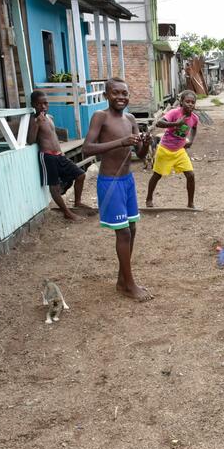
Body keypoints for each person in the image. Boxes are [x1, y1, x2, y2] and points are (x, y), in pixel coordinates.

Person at [82, 78, 152, 301]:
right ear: (106, 95)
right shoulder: (100, 117)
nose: (121, 97)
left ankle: (123, 280)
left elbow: (139, 154)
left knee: (132, 229)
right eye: (115, 93)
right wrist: (121, 142)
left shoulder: (131, 119)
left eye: (124, 93)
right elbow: (87, 149)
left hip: (127, 180)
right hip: (110, 181)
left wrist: (146, 142)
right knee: (122, 232)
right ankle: (129, 285)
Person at [27, 90, 86, 221]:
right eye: (39, 104)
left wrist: (61, 152)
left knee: (80, 174)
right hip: (47, 156)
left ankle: (77, 202)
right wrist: (37, 123)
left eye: (45, 103)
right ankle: (67, 212)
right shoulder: (34, 120)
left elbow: (53, 137)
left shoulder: (50, 117)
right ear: (33, 105)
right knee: (53, 187)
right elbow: (30, 140)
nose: (43, 106)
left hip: (59, 155)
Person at [145, 90, 199, 208]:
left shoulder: (194, 118)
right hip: (165, 149)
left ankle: (190, 203)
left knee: (190, 175)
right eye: (187, 101)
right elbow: (159, 123)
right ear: (181, 102)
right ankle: (149, 198)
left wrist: (190, 140)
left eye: (192, 102)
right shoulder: (174, 113)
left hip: (179, 151)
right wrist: (176, 124)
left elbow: (194, 128)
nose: (190, 104)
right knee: (157, 175)